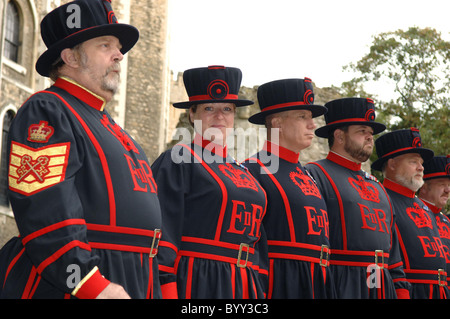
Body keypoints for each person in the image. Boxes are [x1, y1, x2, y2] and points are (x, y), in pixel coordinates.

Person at [0, 0, 162, 299]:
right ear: (71, 57)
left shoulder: (111, 126)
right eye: (105, 45)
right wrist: (90, 285)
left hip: (136, 279)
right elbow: (45, 209)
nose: (119, 55)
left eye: (119, 48)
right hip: (81, 282)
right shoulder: (48, 109)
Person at [152, 66, 267, 299]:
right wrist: (166, 289)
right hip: (198, 281)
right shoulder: (178, 159)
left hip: (244, 284)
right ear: (192, 114)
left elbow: (258, 244)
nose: (219, 116)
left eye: (227, 109)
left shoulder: (244, 171)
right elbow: (163, 230)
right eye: (209, 108)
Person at [305, 98, 410, 299]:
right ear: (339, 136)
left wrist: (401, 291)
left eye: (371, 133)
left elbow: (394, 255)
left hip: (381, 282)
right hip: (342, 281)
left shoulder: (378, 187)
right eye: (362, 131)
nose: (370, 138)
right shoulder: (314, 174)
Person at [243, 78, 335, 298]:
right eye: (302, 117)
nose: (312, 124)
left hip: (318, 282)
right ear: (277, 123)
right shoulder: (252, 171)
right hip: (281, 283)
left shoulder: (308, 175)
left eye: (311, 118)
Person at [372, 129, 448, 298]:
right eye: (413, 162)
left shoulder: (424, 207)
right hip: (408, 290)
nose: (421, 167)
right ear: (392, 164)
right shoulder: (380, 199)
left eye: (421, 162)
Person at [418, 155, 450, 287]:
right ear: (424, 187)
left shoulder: (446, 220)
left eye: (449, 185)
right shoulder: (412, 215)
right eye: (442, 184)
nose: (448, 190)